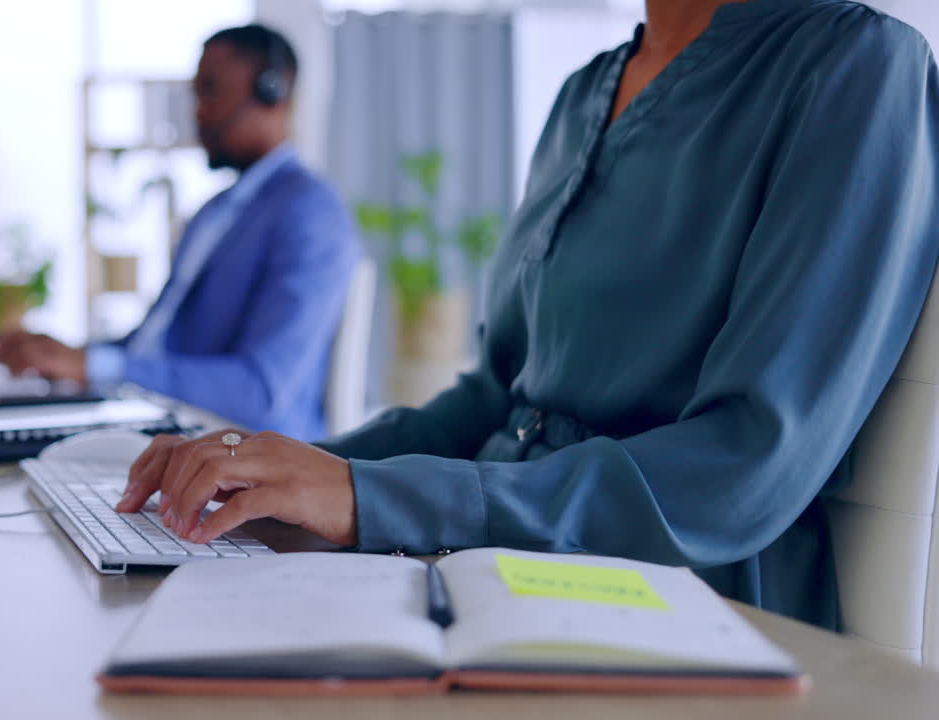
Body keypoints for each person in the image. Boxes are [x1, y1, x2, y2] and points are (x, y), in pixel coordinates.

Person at [116, 0, 939, 630]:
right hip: (491, 561)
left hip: (683, 604)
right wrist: (288, 470)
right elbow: (494, 398)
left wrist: (380, 498)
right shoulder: (585, 92)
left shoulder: (854, 65)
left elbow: (742, 470)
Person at [0, 24, 360, 441]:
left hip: (244, 456)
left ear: (271, 91)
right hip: (169, 434)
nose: (198, 112)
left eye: (210, 91)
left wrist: (97, 366)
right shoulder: (214, 212)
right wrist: (70, 356)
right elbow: (155, 347)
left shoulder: (311, 213)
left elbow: (260, 391)